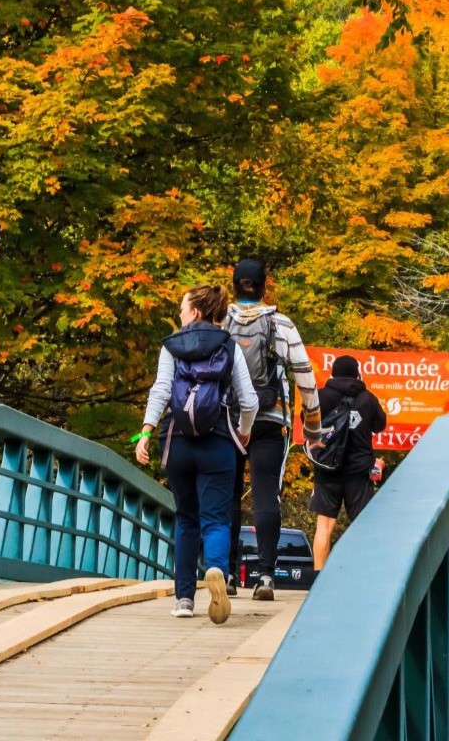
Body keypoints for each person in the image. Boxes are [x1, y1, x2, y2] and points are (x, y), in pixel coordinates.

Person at [135, 284, 258, 623]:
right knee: (216, 518)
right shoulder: (228, 346)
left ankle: (184, 598)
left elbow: (161, 389)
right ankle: (217, 570)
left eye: (182, 308)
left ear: (197, 312)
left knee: (186, 517)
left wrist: (146, 430)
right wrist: (244, 431)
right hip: (217, 440)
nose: (179, 313)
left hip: (178, 441)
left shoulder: (172, 347)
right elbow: (248, 401)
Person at [225, 258, 321, 601]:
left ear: (234, 285)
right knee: (266, 495)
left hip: (229, 420)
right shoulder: (280, 324)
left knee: (228, 496)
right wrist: (312, 428)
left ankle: (226, 574)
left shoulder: (221, 322)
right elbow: (305, 377)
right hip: (270, 419)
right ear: (264, 287)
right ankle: (266, 575)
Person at [309, 354, 386, 570]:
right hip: (358, 473)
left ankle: (318, 578)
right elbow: (380, 425)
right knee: (362, 526)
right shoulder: (367, 398)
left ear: (333, 373)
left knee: (324, 525)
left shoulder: (321, 397)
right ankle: (362, 573)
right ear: (356, 373)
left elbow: (309, 426)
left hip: (328, 469)